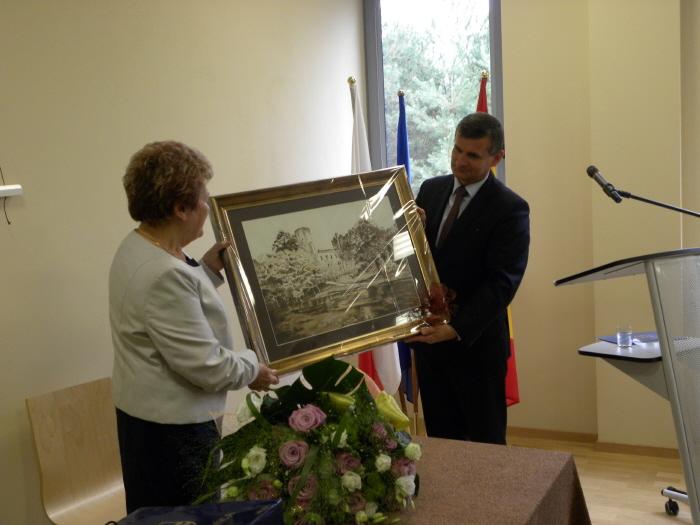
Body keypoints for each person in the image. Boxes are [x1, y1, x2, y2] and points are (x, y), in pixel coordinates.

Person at [109, 141, 279, 512]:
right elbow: (206, 365)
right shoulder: (162, 274)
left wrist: (206, 271)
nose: (207, 205)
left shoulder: (139, 245)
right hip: (172, 434)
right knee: (186, 515)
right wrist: (253, 368)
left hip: (146, 420)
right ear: (180, 208)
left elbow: (170, 309)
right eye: (203, 197)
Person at [407, 113, 530, 445]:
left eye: (472, 155)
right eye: (457, 150)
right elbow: (416, 260)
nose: (460, 161)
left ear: (496, 158)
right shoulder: (430, 190)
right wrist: (409, 231)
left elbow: (502, 283)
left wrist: (456, 328)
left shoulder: (511, 208)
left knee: (485, 449)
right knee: (443, 445)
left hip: (476, 348)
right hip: (431, 347)